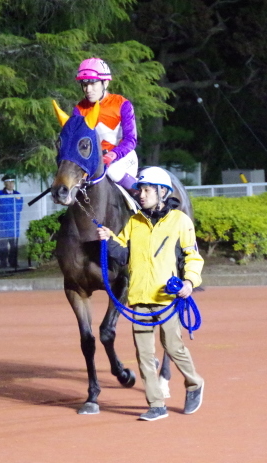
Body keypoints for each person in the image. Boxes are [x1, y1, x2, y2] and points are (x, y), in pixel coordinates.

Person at [96, 166, 205, 421]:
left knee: (173, 346)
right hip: (140, 299)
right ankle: (156, 404)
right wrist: (108, 239)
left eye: (146, 190)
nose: (141, 195)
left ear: (162, 192)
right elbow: (123, 254)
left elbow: (192, 256)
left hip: (167, 297)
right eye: (140, 190)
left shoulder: (180, 221)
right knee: (144, 354)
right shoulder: (134, 222)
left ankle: (194, 383)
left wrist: (189, 281)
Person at [73, 57, 139, 194]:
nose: (88, 89)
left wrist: (112, 155)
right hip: (95, 162)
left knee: (112, 171)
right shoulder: (79, 109)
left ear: (105, 83)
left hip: (122, 157)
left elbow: (131, 140)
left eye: (93, 83)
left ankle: (141, 196)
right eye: (85, 85)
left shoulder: (122, 104)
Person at [0, 173, 24, 269]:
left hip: (14, 224)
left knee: (14, 246)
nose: (11, 184)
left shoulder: (18, 195)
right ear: (5, 183)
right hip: (2, 224)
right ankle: (3, 262)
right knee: (2, 246)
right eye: (9, 182)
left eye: (12, 182)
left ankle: (13, 262)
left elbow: (19, 207)